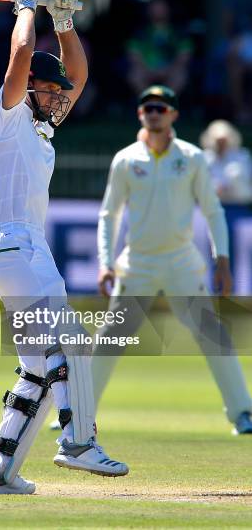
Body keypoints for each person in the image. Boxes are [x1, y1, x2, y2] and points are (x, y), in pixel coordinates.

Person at [0, 0, 128, 496]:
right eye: (52, 89)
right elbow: (20, 55)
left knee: (38, 367)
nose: (62, 98)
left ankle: (0, 469)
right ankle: (79, 441)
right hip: (19, 250)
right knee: (72, 347)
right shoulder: (9, 116)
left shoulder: (40, 127)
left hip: (16, 252)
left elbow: (80, 76)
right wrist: (24, 7)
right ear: (32, 89)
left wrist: (63, 21)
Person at [94, 85, 252, 436]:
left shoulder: (192, 157)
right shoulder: (126, 159)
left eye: (161, 108)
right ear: (140, 114)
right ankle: (76, 414)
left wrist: (222, 259)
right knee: (110, 339)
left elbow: (212, 210)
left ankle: (242, 413)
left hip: (182, 263)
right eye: (148, 107)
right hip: (138, 264)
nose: (154, 113)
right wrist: (105, 262)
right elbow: (109, 215)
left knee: (213, 336)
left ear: (173, 115)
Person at [127, 0, 192, 96]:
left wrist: (168, 70)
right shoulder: (140, 32)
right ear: (149, 11)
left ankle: (165, 102)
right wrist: (148, 70)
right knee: (135, 75)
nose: (158, 11)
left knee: (180, 76)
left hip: (171, 70)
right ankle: (150, 101)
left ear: (168, 10)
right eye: (155, 8)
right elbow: (133, 55)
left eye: (161, 8)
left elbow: (184, 56)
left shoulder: (179, 32)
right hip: (146, 69)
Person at [200, 120, 252, 204]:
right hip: (213, 201)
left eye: (223, 140)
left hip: (238, 200)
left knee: (235, 171)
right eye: (218, 140)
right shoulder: (205, 157)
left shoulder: (242, 155)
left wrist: (227, 185)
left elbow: (247, 178)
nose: (221, 144)